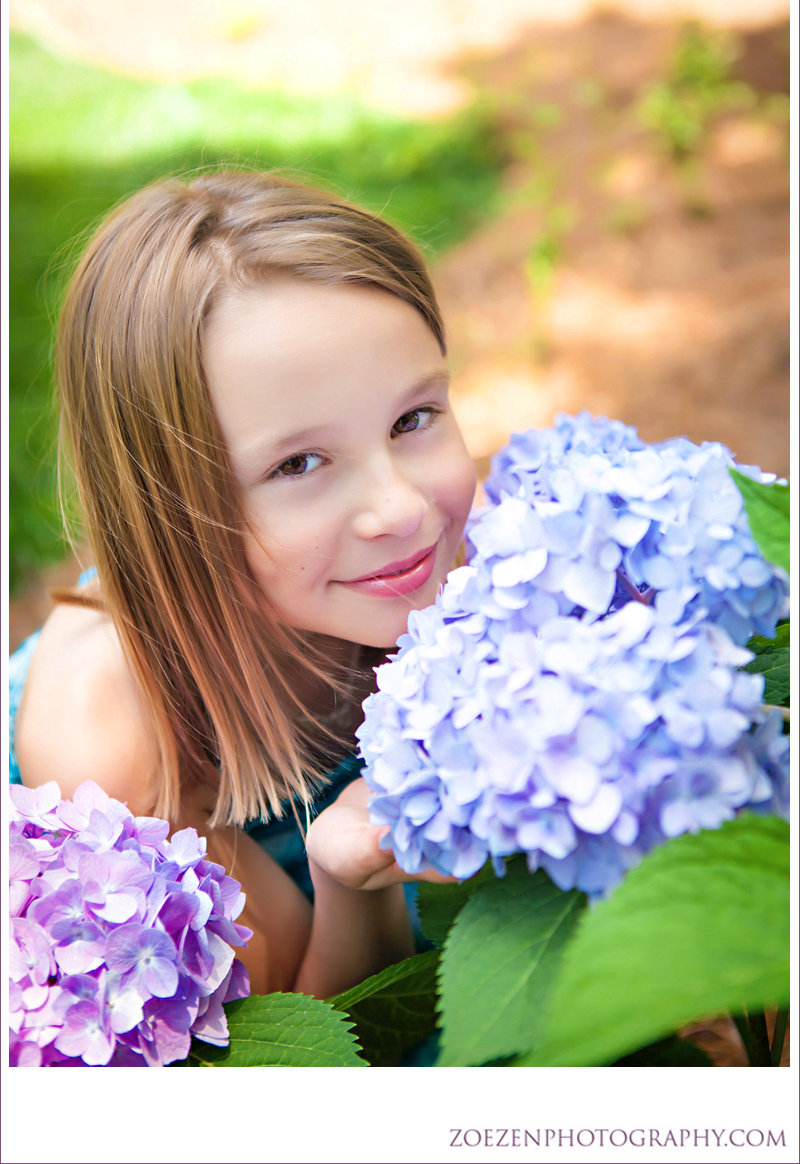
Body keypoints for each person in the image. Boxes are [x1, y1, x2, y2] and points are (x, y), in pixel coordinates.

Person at [11, 170, 478, 1001]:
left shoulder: (459, 559)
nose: (402, 508)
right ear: (173, 507)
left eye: (413, 418)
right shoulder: (115, 733)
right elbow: (294, 1051)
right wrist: (346, 876)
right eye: (299, 463)